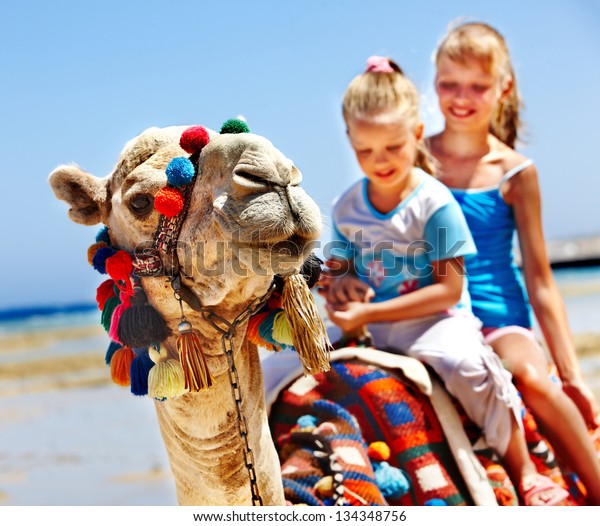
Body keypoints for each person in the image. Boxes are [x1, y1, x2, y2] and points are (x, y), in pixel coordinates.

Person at [322, 55, 570, 506]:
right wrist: (341, 285)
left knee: (467, 367)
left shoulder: (433, 202)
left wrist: (369, 310)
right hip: (371, 322)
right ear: (350, 140)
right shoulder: (345, 207)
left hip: (436, 319)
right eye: (365, 151)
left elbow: (450, 290)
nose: (380, 162)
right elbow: (340, 268)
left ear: (417, 135)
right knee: (288, 362)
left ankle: (526, 469)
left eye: (393, 148)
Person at [426, 21, 600, 504]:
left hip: (499, 318)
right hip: (432, 312)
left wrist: (571, 374)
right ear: (433, 83)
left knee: (525, 374)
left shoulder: (516, 174)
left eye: (477, 86)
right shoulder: (414, 159)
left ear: (503, 88)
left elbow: (541, 282)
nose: (461, 97)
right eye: (449, 84)